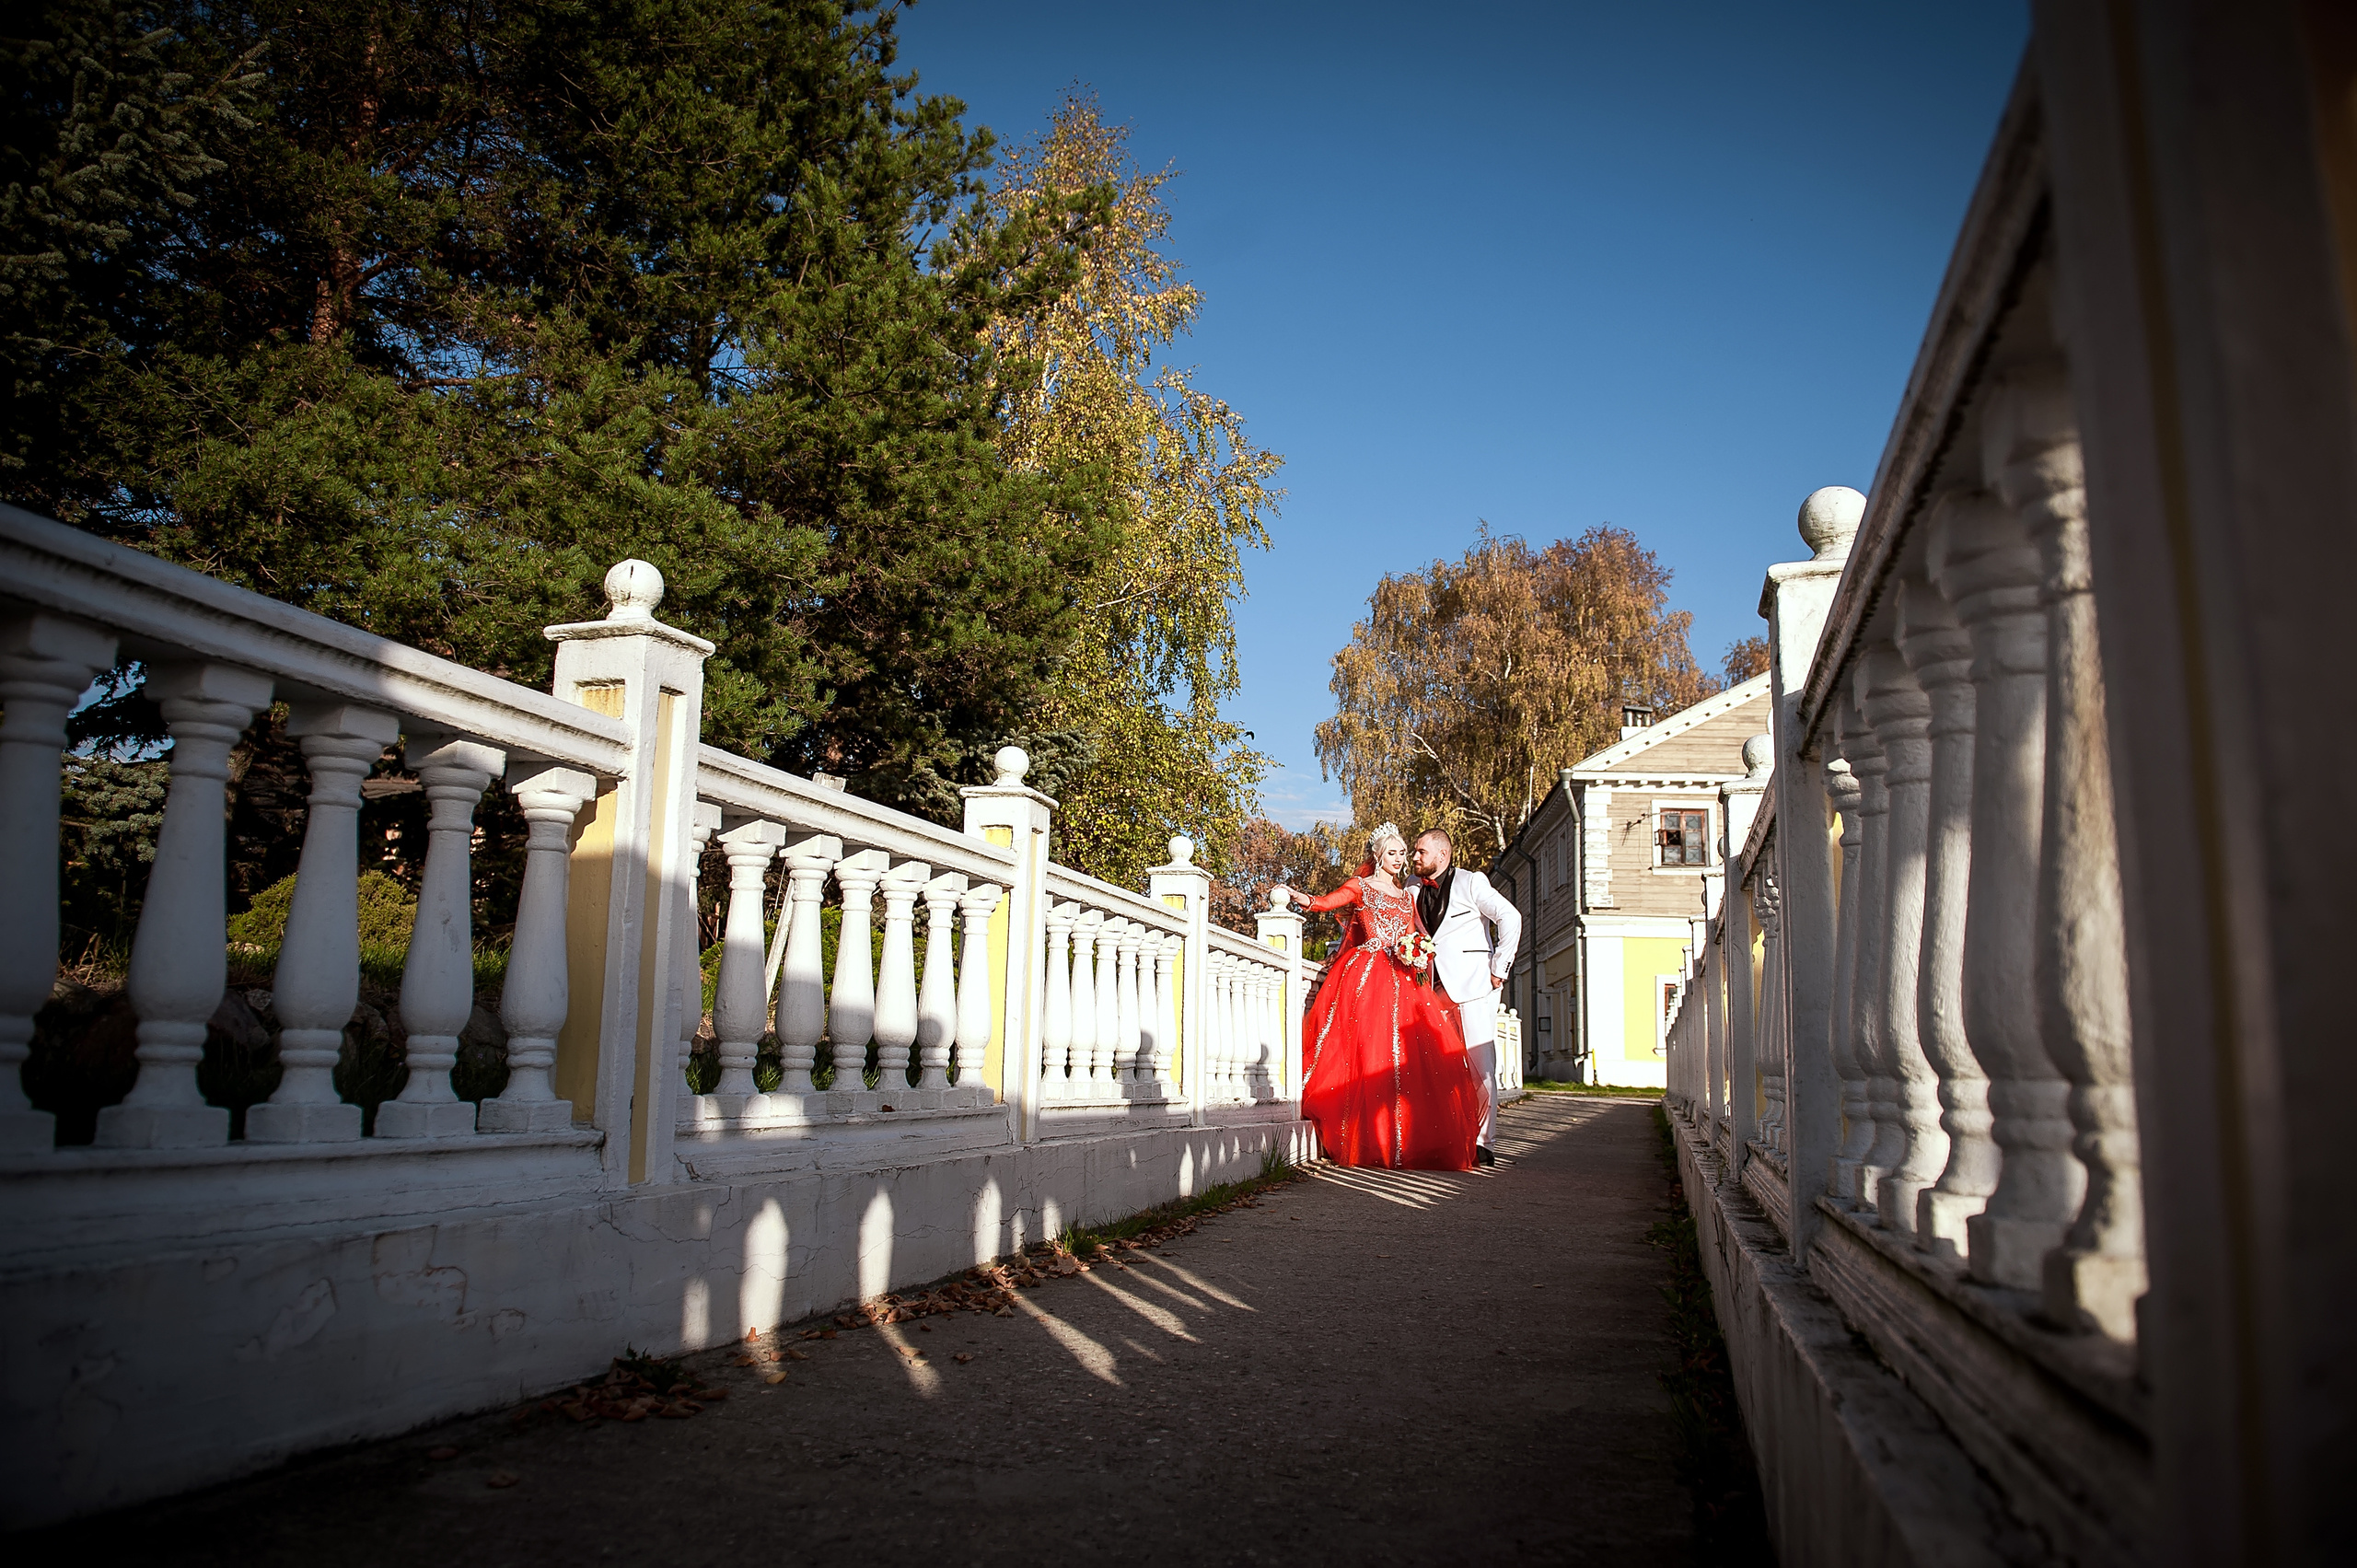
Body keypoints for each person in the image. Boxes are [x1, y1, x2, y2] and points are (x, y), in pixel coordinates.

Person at [1279, 823, 1481, 1170]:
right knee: (1366, 1051)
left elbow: (1412, 934)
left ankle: (1403, 1138)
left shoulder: (1406, 897)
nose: (1399, 859)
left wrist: (1417, 952)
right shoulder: (1361, 886)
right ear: (1378, 855)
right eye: (1392, 853)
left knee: (1405, 1056)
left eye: (1402, 853)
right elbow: (1330, 902)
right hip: (1368, 973)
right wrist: (1302, 898)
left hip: (1403, 977)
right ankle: (1367, 1135)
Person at [1407, 828, 1522, 1167]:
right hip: (1429, 990)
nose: (1415, 857)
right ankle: (1444, 1138)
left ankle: (1484, 1143)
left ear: (1443, 854)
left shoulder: (1472, 882)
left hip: (1474, 986)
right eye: (1415, 851)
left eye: (1421, 851)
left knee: (1479, 1066)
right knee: (1435, 1068)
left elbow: (1510, 917)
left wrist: (1499, 967)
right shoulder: (1412, 886)